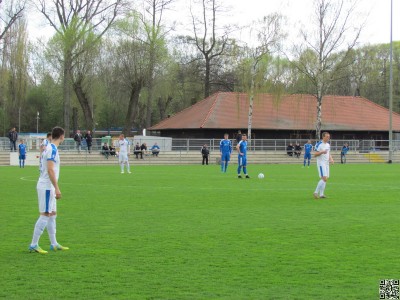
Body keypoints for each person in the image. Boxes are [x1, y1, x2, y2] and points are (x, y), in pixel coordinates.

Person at [29, 126, 69, 254]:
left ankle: (54, 243)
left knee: (52, 214)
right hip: (47, 186)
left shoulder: (51, 148)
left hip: (49, 186)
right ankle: (34, 244)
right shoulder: (52, 149)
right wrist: (57, 188)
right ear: (62, 136)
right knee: (45, 215)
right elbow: (50, 169)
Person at [313, 132, 334, 199]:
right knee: (324, 178)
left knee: (326, 179)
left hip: (326, 163)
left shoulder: (328, 145)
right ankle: (316, 192)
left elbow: (328, 153)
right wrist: (322, 152)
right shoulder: (319, 144)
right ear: (323, 137)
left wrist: (331, 159)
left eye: (329, 137)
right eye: (327, 137)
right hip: (321, 163)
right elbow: (315, 154)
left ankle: (321, 194)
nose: (328, 138)